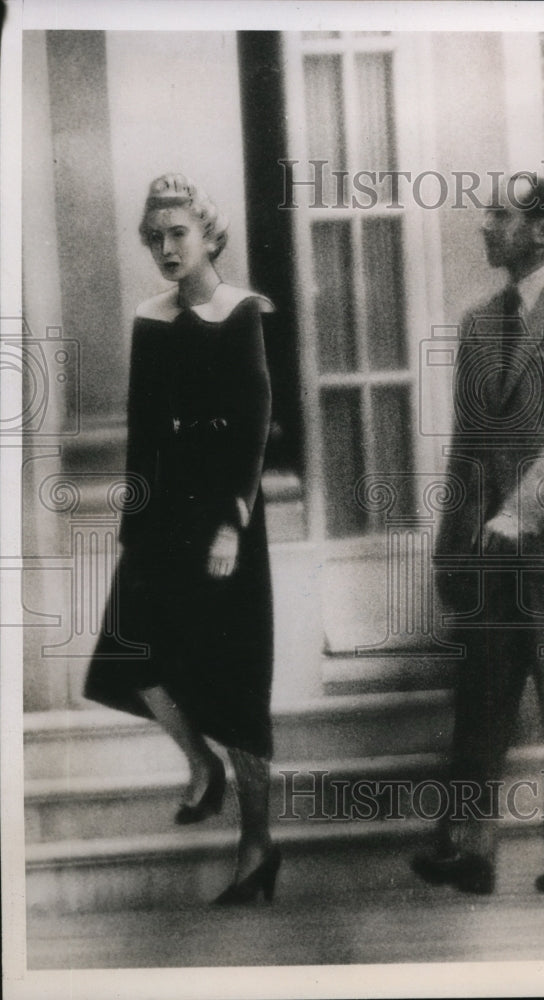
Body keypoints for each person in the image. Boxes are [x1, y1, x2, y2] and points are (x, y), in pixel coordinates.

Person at [412, 172, 544, 895]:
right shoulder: (476, 323)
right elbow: (468, 448)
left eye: (498, 214)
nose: (483, 225)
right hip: (491, 552)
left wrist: (517, 514)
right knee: (480, 702)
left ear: (540, 229)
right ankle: (467, 848)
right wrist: (453, 547)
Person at [85, 173, 280, 905]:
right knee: (131, 649)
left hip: (224, 520)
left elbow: (254, 423)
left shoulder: (240, 313)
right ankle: (202, 766)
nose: (166, 248)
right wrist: (133, 528)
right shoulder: (149, 318)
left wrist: (231, 522)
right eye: (156, 236)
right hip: (164, 513)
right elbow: (142, 430)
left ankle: (257, 846)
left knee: (233, 679)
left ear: (208, 237)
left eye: (179, 234)